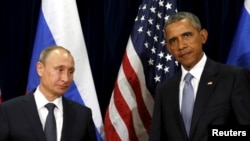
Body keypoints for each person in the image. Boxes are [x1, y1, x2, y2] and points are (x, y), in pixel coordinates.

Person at [149, 11, 250, 141]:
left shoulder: (233, 78)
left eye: (187, 35)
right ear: (168, 48)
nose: (181, 46)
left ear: (203, 36)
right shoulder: (165, 90)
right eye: (173, 40)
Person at [0, 46, 97, 141]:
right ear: (40, 68)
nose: (66, 79)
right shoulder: (8, 111)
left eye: (70, 72)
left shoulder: (83, 115)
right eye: (60, 70)